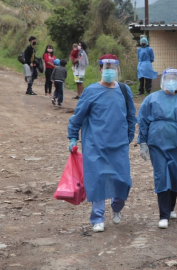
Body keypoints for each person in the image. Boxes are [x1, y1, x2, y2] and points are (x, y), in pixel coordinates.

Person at [67, 54, 137, 233]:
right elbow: (78, 116)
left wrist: (129, 136)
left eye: (113, 68)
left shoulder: (123, 90)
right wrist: (73, 137)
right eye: (106, 68)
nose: (109, 71)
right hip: (95, 145)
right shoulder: (90, 91)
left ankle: (117, 207)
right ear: (100, 69)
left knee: (123, 181)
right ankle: (97, 217)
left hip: (119, 145)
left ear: (117, 70)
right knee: (97, 180)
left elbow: (130, 116)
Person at [138, 68, 177, 229]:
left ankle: (171, 207)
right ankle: (163, 215)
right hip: (157, 143)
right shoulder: (152, 99)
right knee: (161, 176)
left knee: (174, 176)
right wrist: (143, 143)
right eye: (168, 78)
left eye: (174, 78)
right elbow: (143, 120)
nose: (171, 81)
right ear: (163, 81)